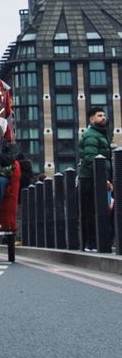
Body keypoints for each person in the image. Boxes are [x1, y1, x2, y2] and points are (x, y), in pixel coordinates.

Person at [76, 107, 111, 252]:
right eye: (99, 115)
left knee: (94, 210)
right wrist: (104, 179)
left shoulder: (100, 134)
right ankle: (92, 243)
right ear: (91, 119)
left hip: (94, 178)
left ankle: (92, 242)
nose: (103, 117)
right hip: (91, 178)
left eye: (104, 115)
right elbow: (92, 159)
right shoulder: (91, 135)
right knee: (91, 211)